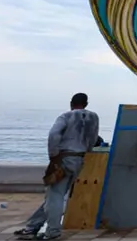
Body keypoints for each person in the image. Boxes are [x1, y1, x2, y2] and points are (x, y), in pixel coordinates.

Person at [14, 93, 100, 240]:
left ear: (71, 102)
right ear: (86, 104)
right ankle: (32, 227)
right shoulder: (94, 117)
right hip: (79, 160)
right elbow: (93, 138)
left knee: (55, 196)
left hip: (64, 158)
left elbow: (54, 134)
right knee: (55, 196)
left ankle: (52, 232)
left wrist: (53, 155)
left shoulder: (66, 116)